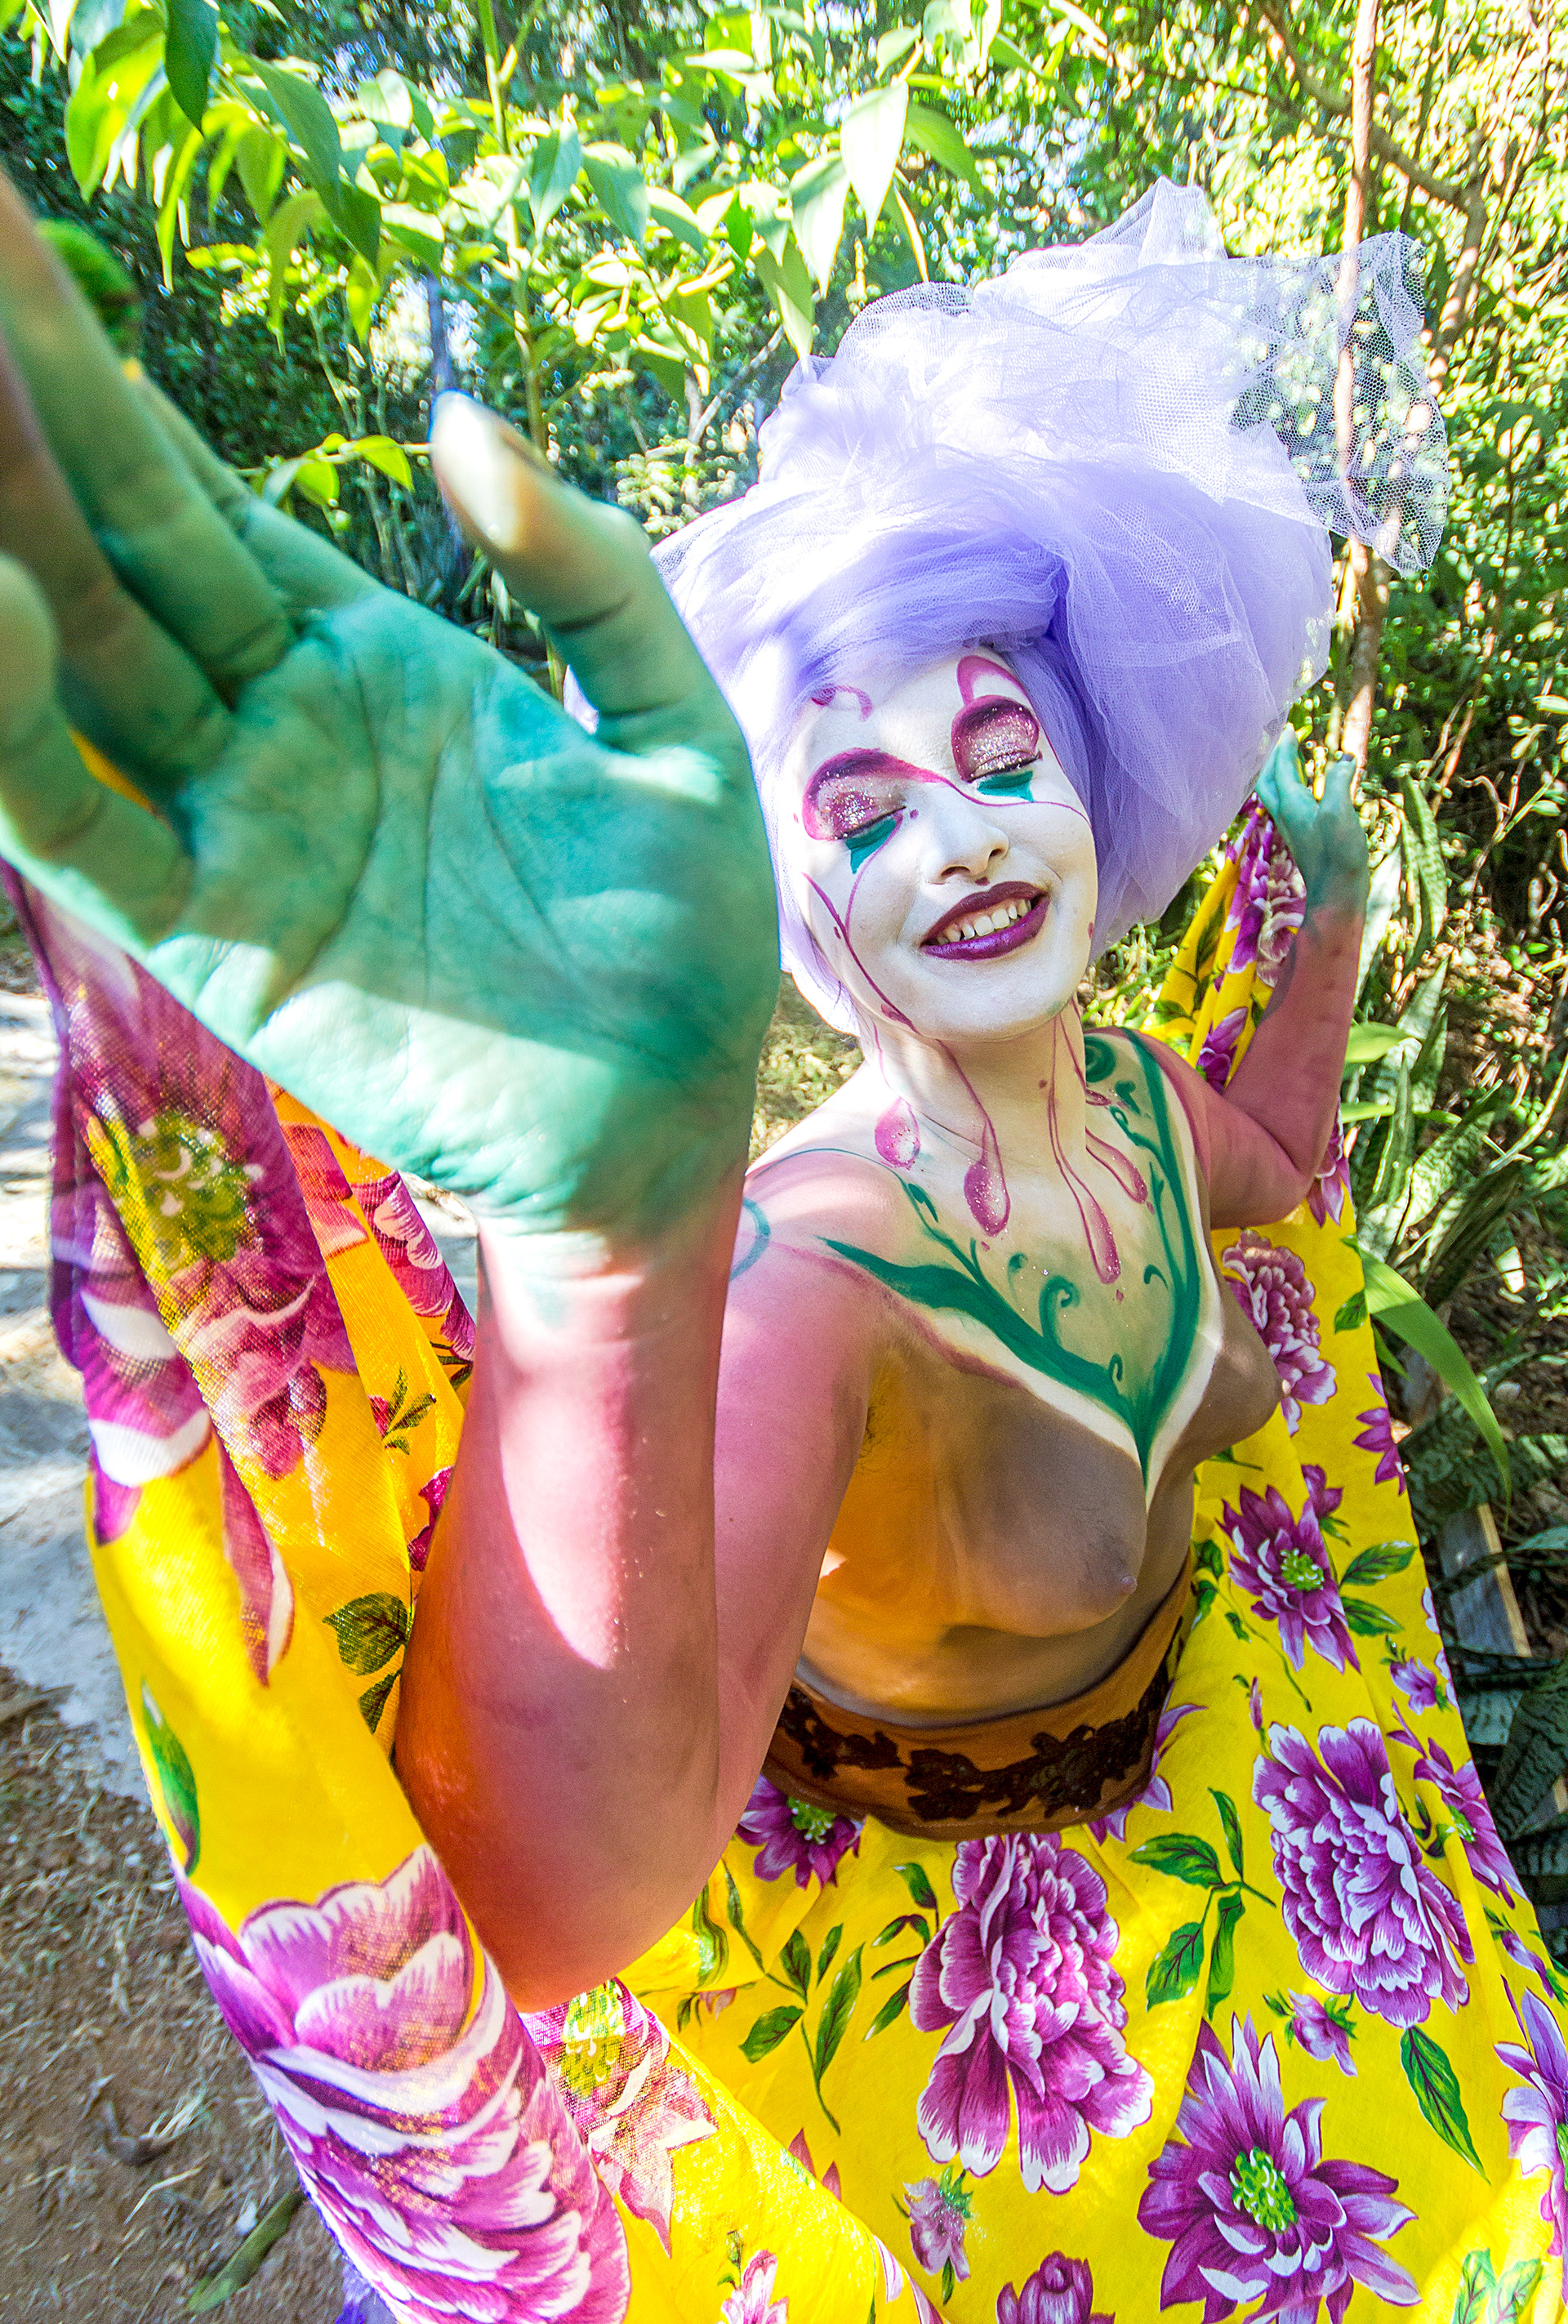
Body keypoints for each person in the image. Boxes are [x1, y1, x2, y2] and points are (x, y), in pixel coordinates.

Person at [1, 174, 1561, 2323]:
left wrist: (1339, 924)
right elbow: (562, 1905)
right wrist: (603, 1247)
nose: (959, 834)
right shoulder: (813, 1278)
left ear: (1093, 787)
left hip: (1210, 1778)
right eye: (859, 810)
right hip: (946, 1980)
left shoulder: (1132, 1096)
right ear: (799, 906)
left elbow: (1279, 1163)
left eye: (1002, 755)